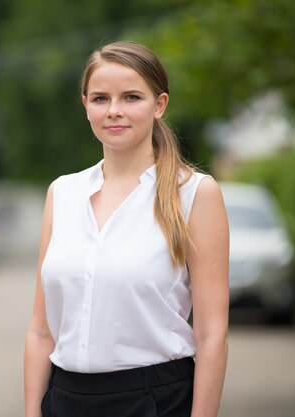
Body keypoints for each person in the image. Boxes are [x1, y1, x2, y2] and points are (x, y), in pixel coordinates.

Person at [24, 41, 229, 417]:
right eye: (101, 98)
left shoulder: (195, 194)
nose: (114, 111)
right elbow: (41, 331)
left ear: (159, 104)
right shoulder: (62, 193)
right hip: (64, 397)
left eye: (131, 97)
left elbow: (212, 334)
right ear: (85, 105)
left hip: (155, 400)